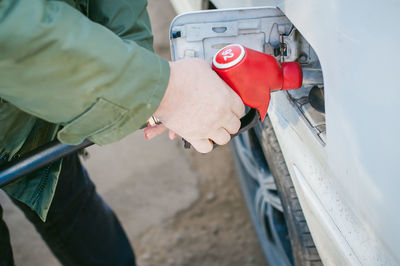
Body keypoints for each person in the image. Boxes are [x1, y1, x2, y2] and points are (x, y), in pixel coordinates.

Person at [0, 0, 244, 265]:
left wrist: (141, 82)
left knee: (68, 201)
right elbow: (11, 24)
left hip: (32, 119)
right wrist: (163, 92)